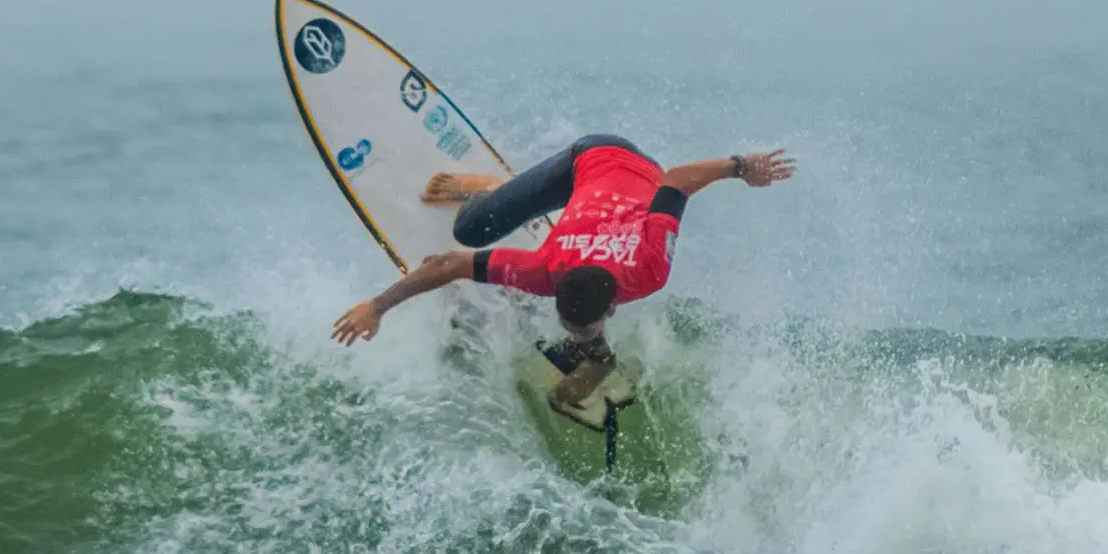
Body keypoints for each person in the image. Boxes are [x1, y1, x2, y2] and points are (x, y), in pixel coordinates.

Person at [329, 134, 796, 412]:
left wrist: (740, 168)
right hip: (585, 165)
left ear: (614, 304)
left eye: (581, 329)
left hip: (620, 167)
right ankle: (489, 188)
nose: (576, 333)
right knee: (470, 229)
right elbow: (446, 263)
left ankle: (596, 359)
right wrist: (377, 307)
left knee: (510, 279)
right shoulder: (547, 270)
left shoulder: (649, 266)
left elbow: (674, 181)